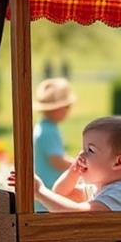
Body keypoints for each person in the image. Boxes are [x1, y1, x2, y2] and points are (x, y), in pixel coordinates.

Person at [33, 78, 76, 209]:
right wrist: (79, 167)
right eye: (66, 106)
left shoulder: (45, 127)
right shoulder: (48, 131)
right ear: (56, 109)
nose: (68, 110)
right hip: (49, 193)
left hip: (46, 192)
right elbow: (57, 161)